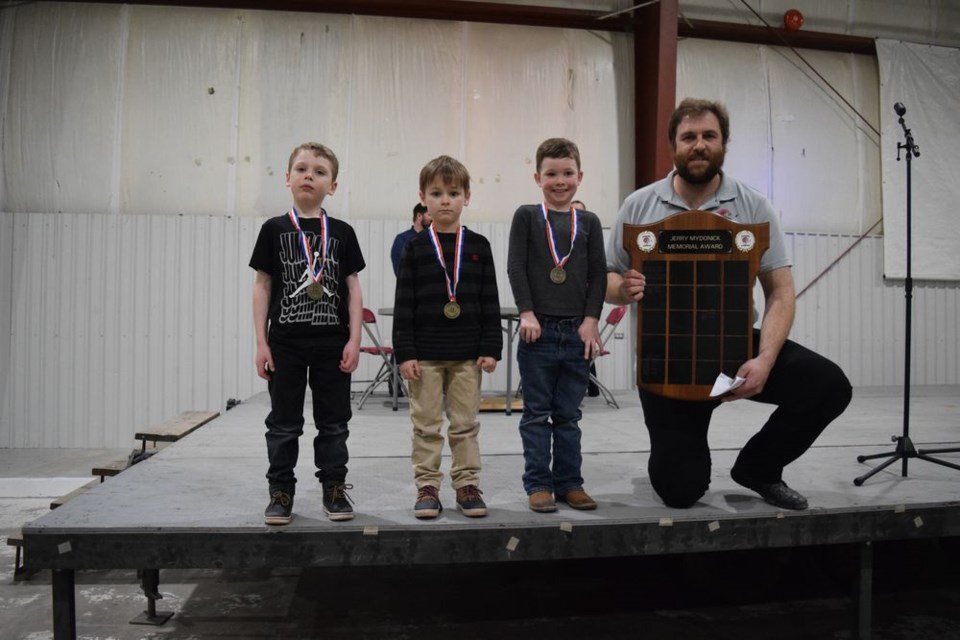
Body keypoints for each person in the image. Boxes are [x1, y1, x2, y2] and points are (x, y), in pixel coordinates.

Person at [605, 98, 852, 511]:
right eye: (689, 137)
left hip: (735, 350)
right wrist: (622, 288)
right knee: (680, 491)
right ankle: (674, 456)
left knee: (828, 387)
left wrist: (765, 360)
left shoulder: (754, 205)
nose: (699, 145)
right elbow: (609, 279)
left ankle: (759, 467)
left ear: (723, 143)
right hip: (667, 362)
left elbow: (780, 291)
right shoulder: (639, 205)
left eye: (709, 136)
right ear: (673, 145)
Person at [250, 142, 365, 525]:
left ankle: (334, 488)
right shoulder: (274, 229)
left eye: (319, 171)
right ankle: (280, 491)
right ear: (287, 178)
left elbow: (352, 288)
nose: (308, 176)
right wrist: (261, 342)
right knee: (283, 424)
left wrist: (354, 339)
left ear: (332, 185)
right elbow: (263, 285)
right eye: (301, 169)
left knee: (334, 423)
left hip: (332, 342)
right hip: (285, 343)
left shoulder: (343, 233)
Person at [393, 155, 503, 519]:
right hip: (424, 354)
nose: (445, 200)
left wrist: (491, 347)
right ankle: (427, 486)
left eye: (453, 192)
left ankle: (466, 485)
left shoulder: (480, 245)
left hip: (468, 354)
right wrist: (405, 353)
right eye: (436, 193)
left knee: (465, 424)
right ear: (423, 197)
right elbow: (404, 303)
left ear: (466, 197)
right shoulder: (414, 247)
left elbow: (490, 301)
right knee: (425, 424)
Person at [507, 138, 607, 513]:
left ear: (579, 176)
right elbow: (516, 266)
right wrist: (526, 312)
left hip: (577, 333)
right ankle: (538, 484)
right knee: (536, 414)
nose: (560, 180)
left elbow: (598, 274)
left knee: (569, 415)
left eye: (567, 173)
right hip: (539, 332)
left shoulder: (590, 222)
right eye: (551, 174)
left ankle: (570, 483)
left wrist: (591, 321)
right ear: (538, 177)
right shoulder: (527, 216)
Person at [572, 199, 601, 399]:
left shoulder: (589, 235)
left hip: (585, 305)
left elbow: (597, 275)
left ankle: (591, 387)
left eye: (580, 212)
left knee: (585, 343)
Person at [390, 203, 432, 276]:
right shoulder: (402, 239)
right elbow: (399, 270)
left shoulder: (434, 239)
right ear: (419, 216)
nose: (432, 219)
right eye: (429, 215)